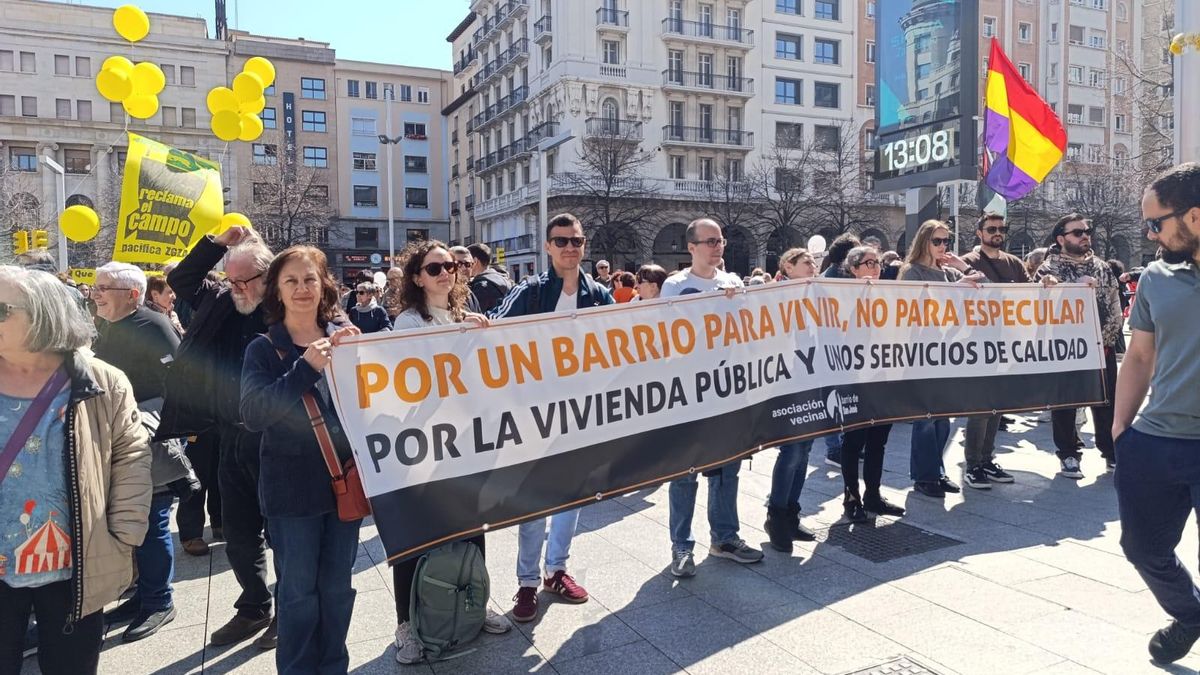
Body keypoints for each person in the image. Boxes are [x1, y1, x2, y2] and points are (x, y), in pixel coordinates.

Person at [0, 266, 151, 675]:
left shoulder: (103, 382)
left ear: (43, 315)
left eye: (1, 310)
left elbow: (132, 458)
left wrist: (124, 535)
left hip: (76, 566)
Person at [240, 246, 362, 674]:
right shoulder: (263, 349)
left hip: (345, 487)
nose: (302, 288)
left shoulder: (348, 338)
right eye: (290, 281)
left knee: (338, 590)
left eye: (310, 279)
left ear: (324, 285)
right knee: (297, 595)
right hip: (292, 495)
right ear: (276, 290)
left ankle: (333, 666)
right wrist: (305, 368)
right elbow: (254, 414)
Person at [388, 240, 511, 663]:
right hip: (424, 444)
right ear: (417, 277)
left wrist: (483, 337)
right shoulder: (407, 322)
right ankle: (406, 625)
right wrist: (463, 341)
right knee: (415, 535)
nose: (445, 273)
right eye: (434, 268)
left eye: (451, 267)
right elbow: (416, 381)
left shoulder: (465, 316)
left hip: (467, 442)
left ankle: (475, 605)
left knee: (471, 528)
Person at [156, 226, 277, 648]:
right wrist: (217, 244)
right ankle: (255, 606)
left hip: (275, 439)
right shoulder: (219, 299)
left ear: (268, 276)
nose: (237, 287)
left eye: (246, 280)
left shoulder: (283, 307)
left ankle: (291, 607)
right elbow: (182, 279)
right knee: (239, 533)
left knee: (282, 532)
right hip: (228, 432)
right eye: (232, 278)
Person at [491, 213, 613, 622]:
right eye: (561, 241)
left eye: (576, 241)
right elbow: (493, 330)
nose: (569, 248)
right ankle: (527, 582)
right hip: (534, 413)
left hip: (580, 412)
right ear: (547, 246)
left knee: (570, 495)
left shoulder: (598, 294)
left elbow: (624, 340)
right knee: (534, 498)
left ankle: (556, 570)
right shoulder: (531, 291)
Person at [1112, 163, 1200, 665]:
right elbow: (1140, 356)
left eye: (1155, 223)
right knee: (1143, 548)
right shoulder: (1155, 278)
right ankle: (1190, 615)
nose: (1150, 234)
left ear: (1194, 216)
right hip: (1155, 441)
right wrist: (1121, 429)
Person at [91, 262, 194, 643]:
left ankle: (159, 601)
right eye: (96, 287)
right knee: (132, 519)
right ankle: (142, 594)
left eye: (104, 288)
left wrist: (169, 429)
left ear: (132, 295)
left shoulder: (153, 325)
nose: (96, 294)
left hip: (148, 437)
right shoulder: (108, 326)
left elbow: (181, 380)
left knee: (153, 518)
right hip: (118, 436)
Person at [660, 218, 763, 577]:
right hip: (689, 392)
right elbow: (669, 333)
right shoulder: (675, 286)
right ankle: (681, 545)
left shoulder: (733, 282)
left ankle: (725, 538)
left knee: (726, 469)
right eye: (710, 242)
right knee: (685, 473)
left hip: (727, 389)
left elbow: (750, 329)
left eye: (720, 241)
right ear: (691, 247)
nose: (718, 247)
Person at [1034, 213, 1123, 477]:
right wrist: (1068, 287)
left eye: (1087, 231)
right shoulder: (1047, 269)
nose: (1085, 236)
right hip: (1066, 350)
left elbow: (1114, 304)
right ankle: (1068, 453)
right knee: (1065, 404)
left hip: (1101, 347)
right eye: (1077, 232)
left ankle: (1111, 451)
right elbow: (1037, 307)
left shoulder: (1102, 267)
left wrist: (1107, 338)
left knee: (1107, 401)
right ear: (1061, 239)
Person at [899, 221, 982, 500]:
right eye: (937, 241)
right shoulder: (912, 272)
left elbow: (985, 286)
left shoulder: (948, 272)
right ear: (924, 241)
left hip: (948, 352)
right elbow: (915, 309)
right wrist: (956, 288)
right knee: (925, 418)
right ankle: (924, 476)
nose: (943, 246)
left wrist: (962, 266)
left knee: (943, 418)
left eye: (946, 241)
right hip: (922, 352)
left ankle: (937, 470)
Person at [837, 246, 906, 521]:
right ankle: (851, 497)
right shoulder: (842, 296)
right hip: (856, 379)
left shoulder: (888, 294)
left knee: (879, 441)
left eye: (877, 262)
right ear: (854, 269)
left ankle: (873, 495)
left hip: (883, 377)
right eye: (869, 263)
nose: (876, 267)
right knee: (854, 441)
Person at [958, 213, 1026, 489]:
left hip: (1007, 343)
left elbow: (1029, 296)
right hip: (978, 344)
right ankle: (973, 464)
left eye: (1002, 228)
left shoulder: (1014, 263)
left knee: (997, 405)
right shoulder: (968, 261)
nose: (998, 232)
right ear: (979, 233)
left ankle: (987, 459)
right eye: (992, 229)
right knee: (980, 407)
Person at [765, 248, 820, 552]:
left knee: (806, 448)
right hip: (786, 381)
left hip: (812, 377)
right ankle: (776, 515)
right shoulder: (775, 295)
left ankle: (791, 512)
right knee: (792, 449)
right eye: (806, 262)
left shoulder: (818, 292)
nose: (813, 265)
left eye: (813, 261)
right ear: (788, 267)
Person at [465, 243, 513, 314]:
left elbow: (474, 315)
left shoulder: (481, 287)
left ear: (475, 261)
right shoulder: (503, 278)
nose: (464, 267)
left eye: (466, 263)